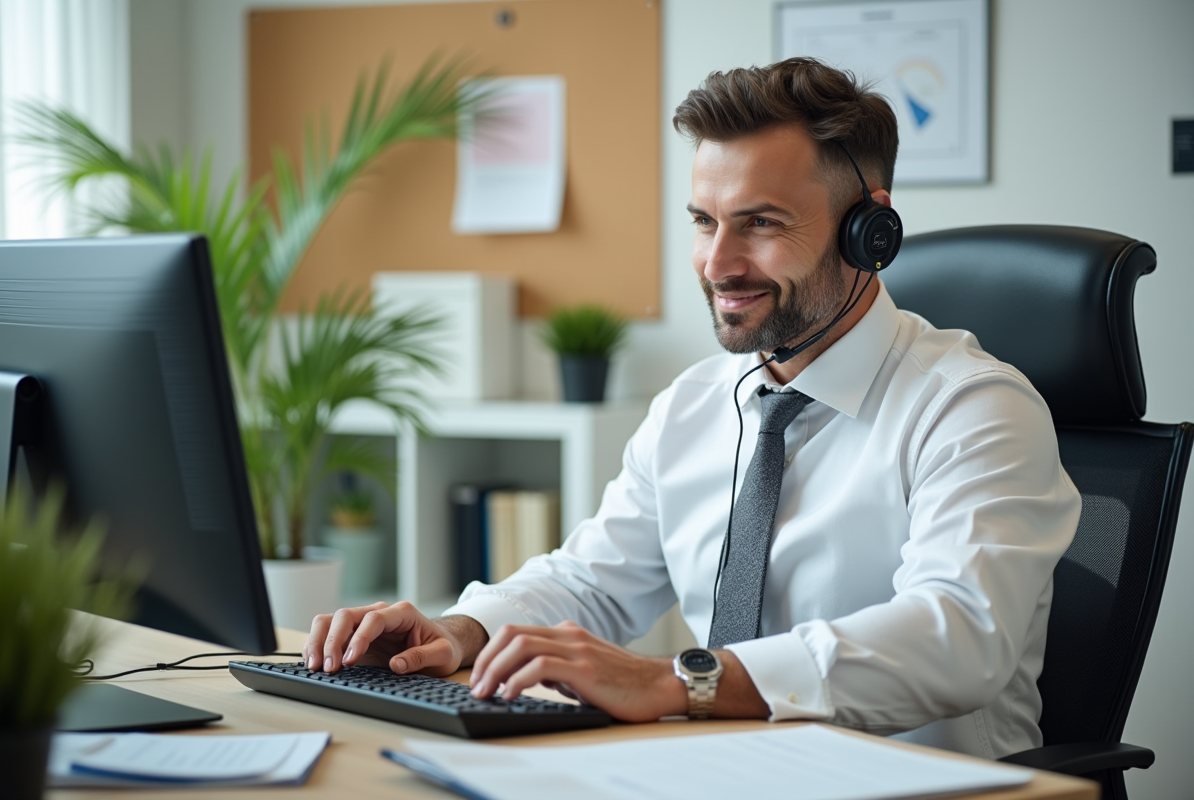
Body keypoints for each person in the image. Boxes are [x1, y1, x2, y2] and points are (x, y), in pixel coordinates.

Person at [303, 57, 1080, 759]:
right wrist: (459, 630)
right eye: (705, 221)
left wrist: (686, 682)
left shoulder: (974, 408)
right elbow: (594, 582)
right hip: (724, 773)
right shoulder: (696, 404)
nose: (717, 264)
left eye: (762, 223)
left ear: (868, 230)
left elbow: (959, 637)